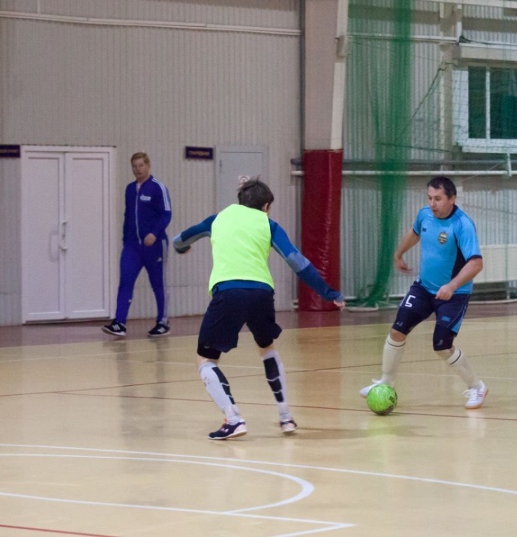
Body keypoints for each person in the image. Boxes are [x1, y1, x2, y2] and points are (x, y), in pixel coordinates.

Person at [173, 178, 345, 440]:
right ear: (266, 206)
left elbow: (179, 240)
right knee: (267, 349)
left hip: (229, 292)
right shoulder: (268, 224)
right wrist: (328, 293)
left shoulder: (217, 219)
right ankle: (286, 417)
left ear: (241, 199)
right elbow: (298, 262)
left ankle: (233, 419)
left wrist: (182, 248)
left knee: (206, 359)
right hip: (262, 294)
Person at [360, 176, 489, 410]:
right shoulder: (425, 215)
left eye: (438, 199)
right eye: (429, 198)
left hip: (454, 294)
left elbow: (476, 263)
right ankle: (386, 382)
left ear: (452, 198)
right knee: (397, 331)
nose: (432, 203)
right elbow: (415, 232)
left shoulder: (462, 225)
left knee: (442, 345)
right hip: (423, 288)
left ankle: (477, 386)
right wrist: (398, 254)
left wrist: (451, 286)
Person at [102, 152, 172, 338]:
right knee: (125, 281)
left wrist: (154, 233)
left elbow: (167, 214)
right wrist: (126, 239)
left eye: (141, 165)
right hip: (132, 246)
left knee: (158, 284)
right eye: (134, 166)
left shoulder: (158, 188)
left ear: (148, 166)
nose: (138, 169)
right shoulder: (130, 189)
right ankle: (119, 323)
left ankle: (163, 322)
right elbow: (128, 215)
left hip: (154, 245)